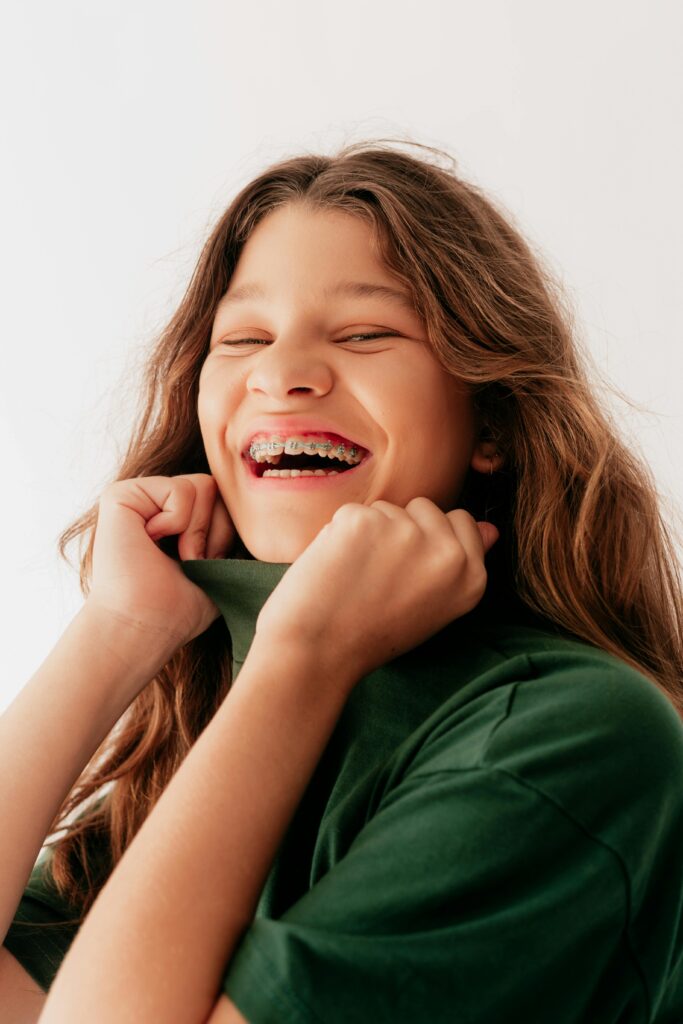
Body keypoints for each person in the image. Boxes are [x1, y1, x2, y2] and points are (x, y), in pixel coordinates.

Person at [1, 139, 682, 1024]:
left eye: (365, 334)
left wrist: (303, 654)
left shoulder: (574, 738)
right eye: (242, 339)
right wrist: (118, 631)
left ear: (494, 421)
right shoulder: (207, 744)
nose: (280, 375)